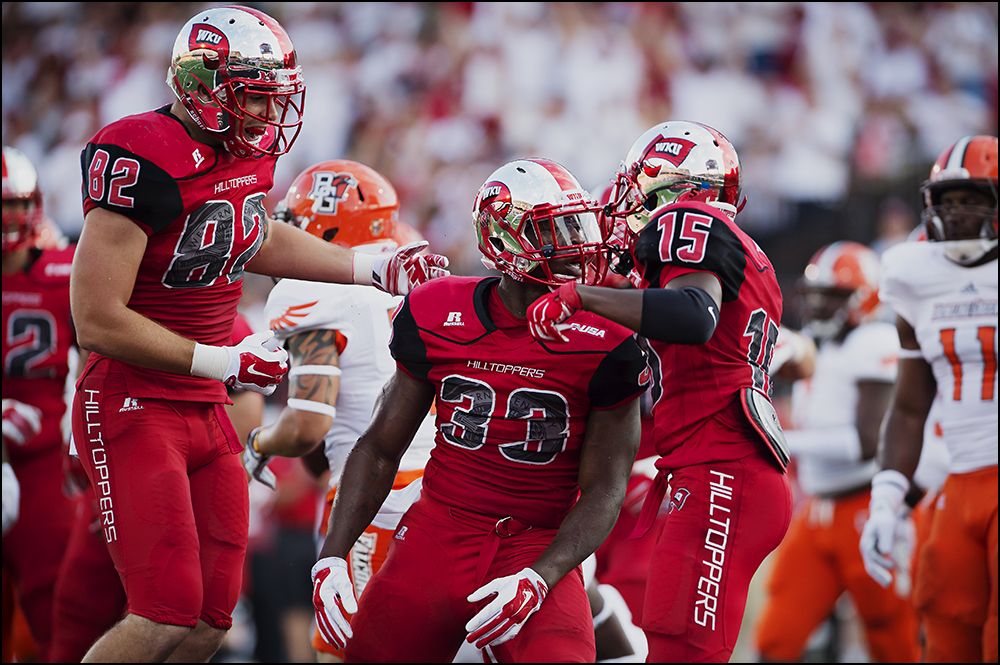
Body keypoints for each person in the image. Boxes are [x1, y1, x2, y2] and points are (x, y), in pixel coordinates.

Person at [68, 6, 448, 663]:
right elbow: (96, 319)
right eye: (253, 94)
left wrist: (373, 265)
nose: (268, 114)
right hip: (136, 399)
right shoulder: (140, 152)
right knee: (164, 611)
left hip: (206, 405)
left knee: (213, 620)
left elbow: (255, 232)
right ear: (202, 86)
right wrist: (224, 360)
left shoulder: (251, 150)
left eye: (274, 97)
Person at [310, 157, 650, 662]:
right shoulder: (437, 310)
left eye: (578, 225)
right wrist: (331, 556)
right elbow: (380, 447)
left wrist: (541, 576)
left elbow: (605, 488)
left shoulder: (608, 337)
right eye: (556, 230)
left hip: (535, 543)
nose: (578, 246)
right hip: (436, 535)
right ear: (506, 239)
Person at [527, 120, 792, 662]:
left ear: (675, 190)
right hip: (720, 467)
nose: (627, 204)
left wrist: (583, 295)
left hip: (721, 469)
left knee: (679, 652)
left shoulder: (688, 220)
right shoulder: (745, 251)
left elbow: (694, 316)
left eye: (638, 186)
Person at [242, 159, 436, 662]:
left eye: (295, 221)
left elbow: (309, 424)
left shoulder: (312, 294)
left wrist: (259, 445)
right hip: (441, 494)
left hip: (373, 500)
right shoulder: (410, 269)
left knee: (343, 654)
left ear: (324, 226)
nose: (286, 232)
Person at [49, 312, 264, 663]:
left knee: (200, 620)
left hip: (186, 460)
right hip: (129, 457)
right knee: (87, 617)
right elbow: (90, 354)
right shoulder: (120, 303)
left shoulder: (224, 318)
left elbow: (247, 412)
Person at [860, 134, 998, 663]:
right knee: (944, 630)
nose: (958, 214)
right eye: (947, 201)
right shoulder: (914, 278)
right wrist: (886, 499)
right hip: (958, 486)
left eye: (972, 199)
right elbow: (910, 405)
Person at [753, 241, 921, 662]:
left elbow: (866, 444)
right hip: (818, 510)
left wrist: (779, 440)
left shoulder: (874, 340)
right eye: (816, 294)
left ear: (863, 299)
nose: (819, 305)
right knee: (777, 635)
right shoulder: (814, 344)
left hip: (863, 506)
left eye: (832, 295)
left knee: (891, 638)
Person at [2, 145, 81, 663]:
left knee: (55, 607)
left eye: (13, 203)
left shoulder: (64, 271)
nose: (7, 217)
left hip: (41, 458)